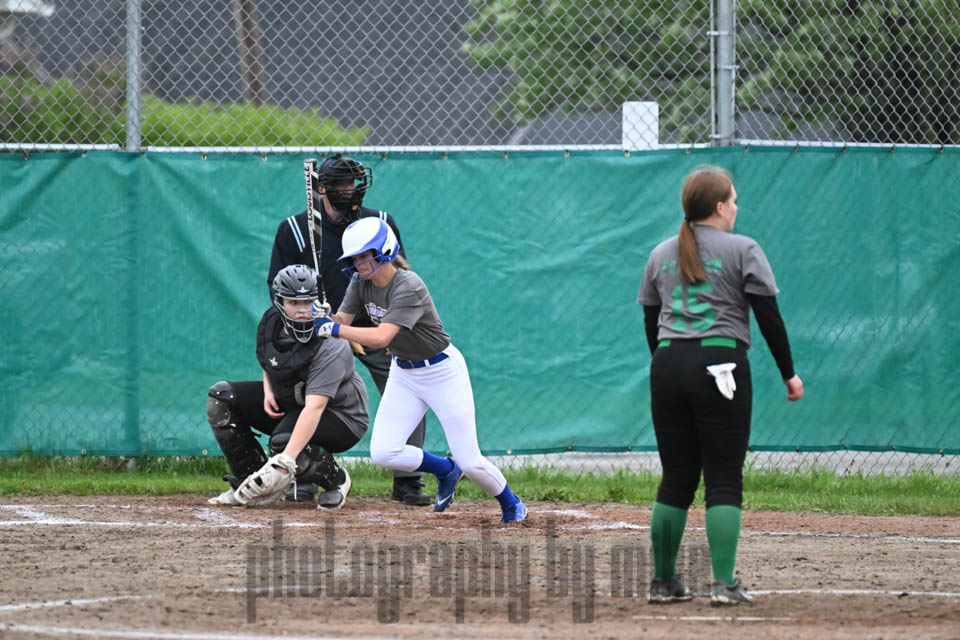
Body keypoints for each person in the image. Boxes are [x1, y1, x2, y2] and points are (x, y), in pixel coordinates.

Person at [636, 166, 804, 606]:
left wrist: (671, 366)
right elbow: (769, 317)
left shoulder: (660, 253)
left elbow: (652, 323)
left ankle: (663, 582)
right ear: (718, 207)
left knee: (676, 479)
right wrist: (789, 374)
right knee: (723, 477)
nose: (736, 207)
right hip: (721, 363)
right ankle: (724, 585)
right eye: (733, 200)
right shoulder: (743, 249)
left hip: (667, 364)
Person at [312, 217, 528, 524]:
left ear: (385, 250)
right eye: (354, 258)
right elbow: (341, 323)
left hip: (442, 371)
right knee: (384, 453)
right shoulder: (360, 283)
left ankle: (511, 503)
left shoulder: (408, 285)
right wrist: (324, 317)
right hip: (404, 373)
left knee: (471, 461)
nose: (359, 264)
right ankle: (445, 469)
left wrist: (333, 329)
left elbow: (380, 338)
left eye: (365, 255)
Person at [267, 154, 431, 507]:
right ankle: (307, 474)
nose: (348, 189)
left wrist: (394, 328)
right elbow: (277, 286)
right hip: (322, 332)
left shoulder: (379, 222)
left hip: (376, 326)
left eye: (352, 183)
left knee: (409, 394)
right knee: (309, 398)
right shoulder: (294, 229)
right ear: (322, 189)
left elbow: (397, 274)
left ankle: (407, 479)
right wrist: (311, 318)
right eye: (340, 184)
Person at [206, 264, 368, 509]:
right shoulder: (271, 322)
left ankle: (337, 480)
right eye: (293, 303)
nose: (302, 310)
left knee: (284, 443)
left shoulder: (331, 343)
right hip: (294, 401)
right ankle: (248, 481)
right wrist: (268, 390)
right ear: (279, 302)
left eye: (308, 301)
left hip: (341, 417)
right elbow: (271, 357)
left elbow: (315, 408)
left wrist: (282, 463)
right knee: (222, 398)